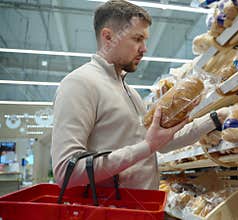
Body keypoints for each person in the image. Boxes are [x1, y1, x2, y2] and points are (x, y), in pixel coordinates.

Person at [51, 0, 228, 190]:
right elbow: (66, 172)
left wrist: (215, 118)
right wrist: (146, 148)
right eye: (137, 39)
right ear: (108, 37)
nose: (144, 48)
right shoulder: (79, 84)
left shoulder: (130, 92)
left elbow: (161, 143)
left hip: (143, 210)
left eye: (145, 40)